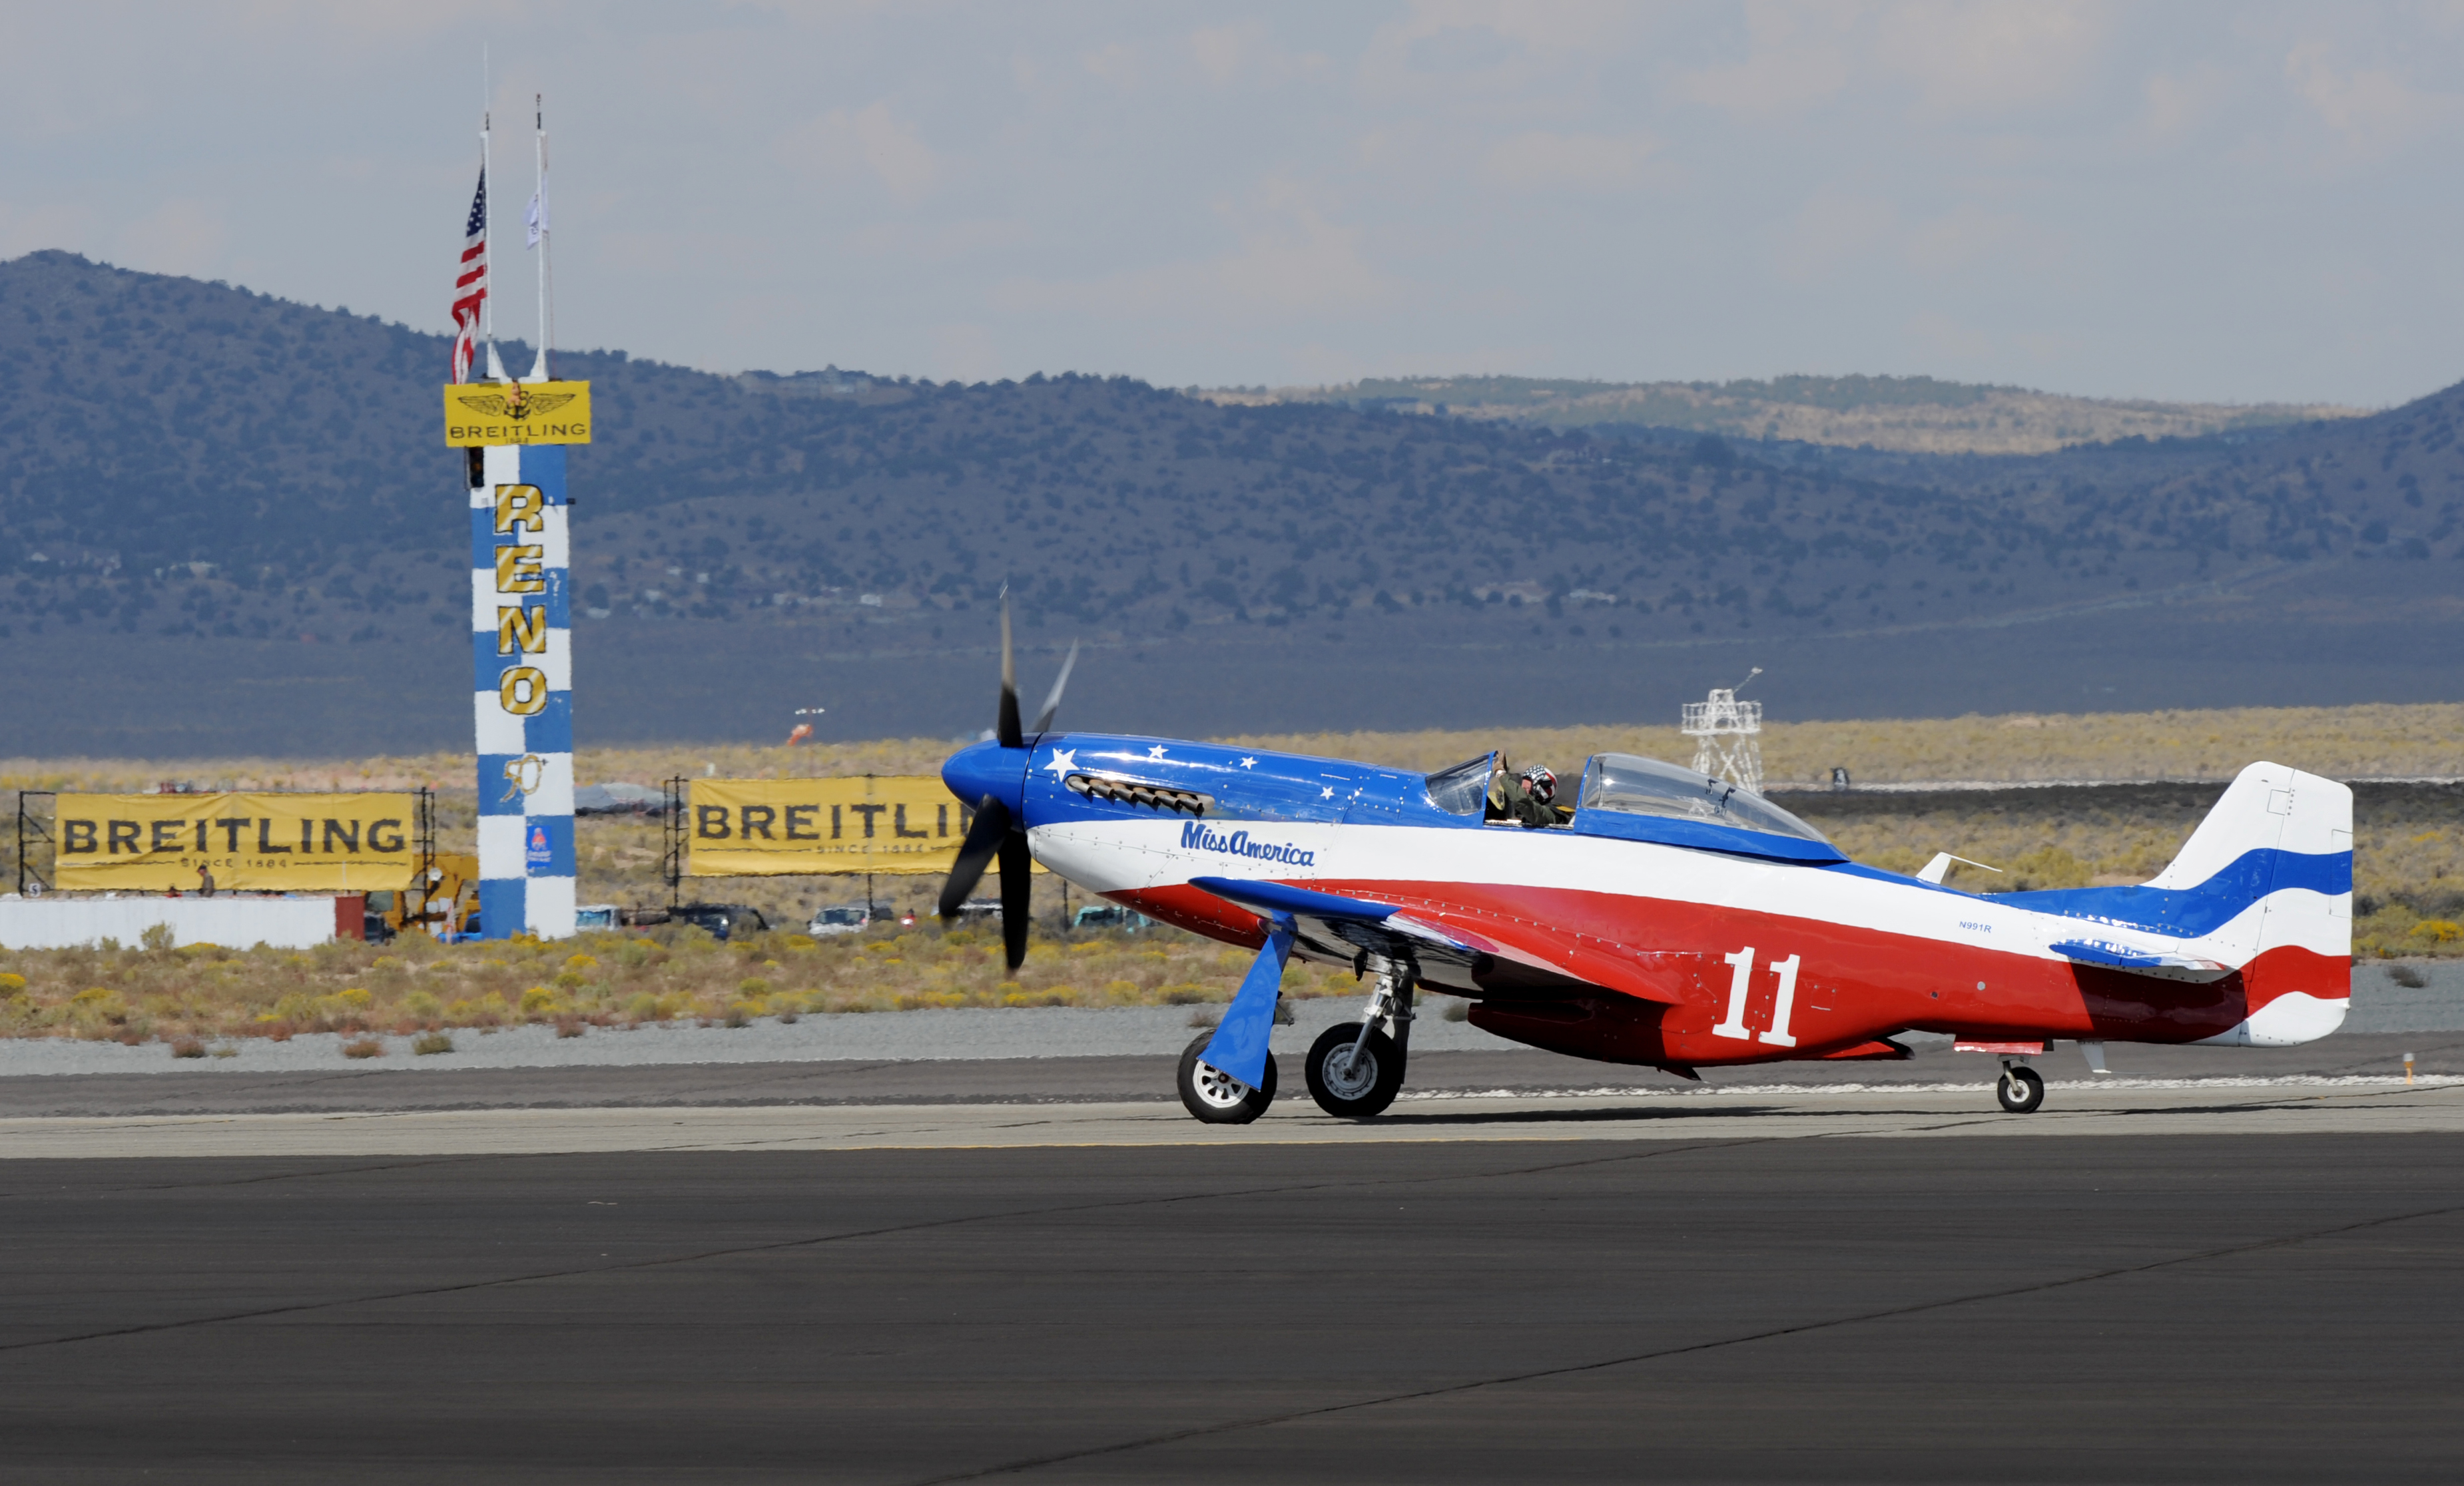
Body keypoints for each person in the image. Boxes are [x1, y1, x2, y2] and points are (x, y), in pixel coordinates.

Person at [1486, 760, 1562, 828]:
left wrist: (1500, 773)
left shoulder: (1549, 815)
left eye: (1526, 789)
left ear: (1539, 792)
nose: (1523, 792)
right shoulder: (1529, 813)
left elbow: (1520, 799)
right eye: (1522, 789)